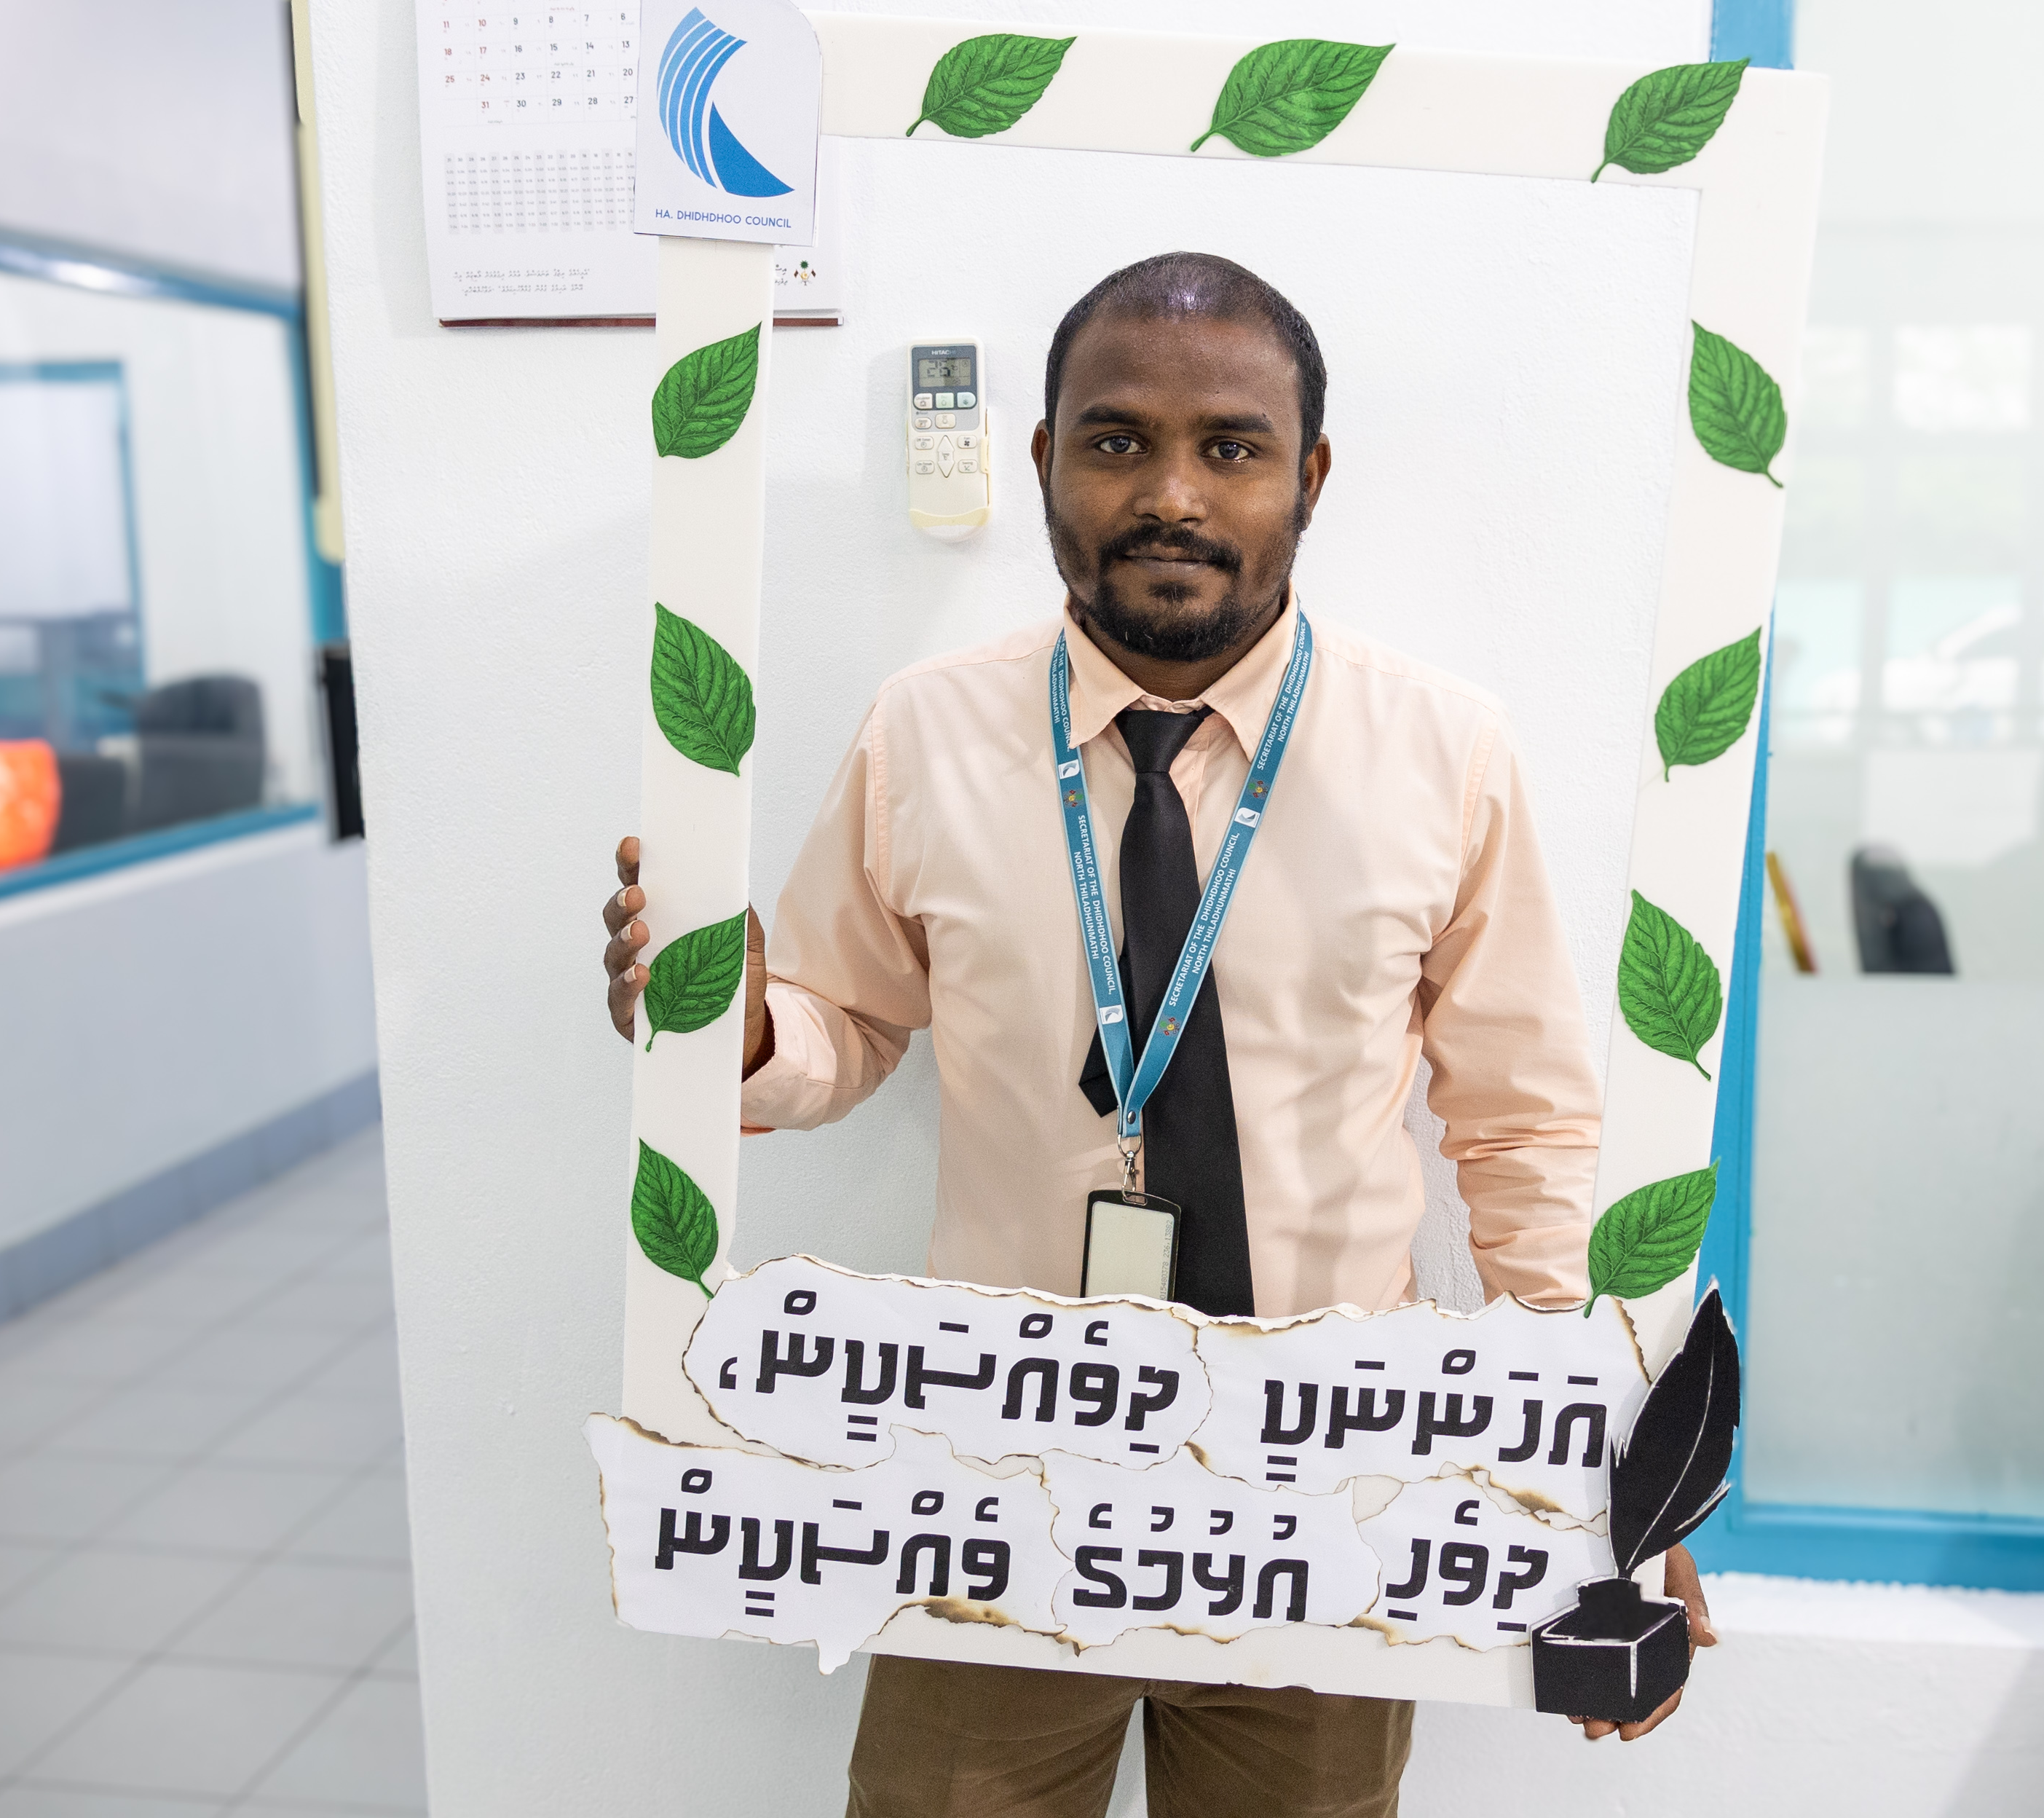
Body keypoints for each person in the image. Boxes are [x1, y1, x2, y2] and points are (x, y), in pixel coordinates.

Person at [602, 252, 1712, 1817]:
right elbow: (843, 1023)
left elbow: (1524, 1129)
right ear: (1045, 458)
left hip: (1328, 1494)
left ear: (1309, 477)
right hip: (991, 1485)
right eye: (1116, 439)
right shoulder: (924, 729)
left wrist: (1606, 1474)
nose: (1171, 494)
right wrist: (727, 1035)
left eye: (1231, 447)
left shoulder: (1445, 754)